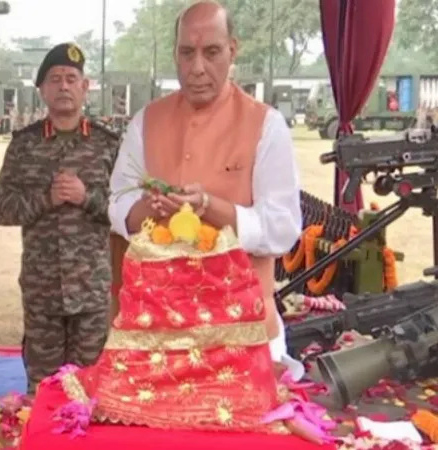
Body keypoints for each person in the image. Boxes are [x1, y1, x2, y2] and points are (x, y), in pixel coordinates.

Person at [109, 0, 302, 373]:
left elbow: (282, 229)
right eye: (186, 53)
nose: (197, 68)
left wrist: (212, 208)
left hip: (245, 334)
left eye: (211, 52)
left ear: (233, 50)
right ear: (175, 55)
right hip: (159, 333)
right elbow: (118, 201)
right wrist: (150, 208)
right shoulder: (146, 121)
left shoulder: (267, 125)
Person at [0, 43, 121, 394]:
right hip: (42, 292)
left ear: (85, 86)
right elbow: (1, 209)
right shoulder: (24, 145)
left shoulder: (109, 145)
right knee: (44, 392)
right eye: (55, 79)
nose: (63, 86)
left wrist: (87, 197)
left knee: (90, 392)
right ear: (43, 90)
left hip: (91, 292)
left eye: (71, 78)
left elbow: (128, 211)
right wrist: (46, 199)